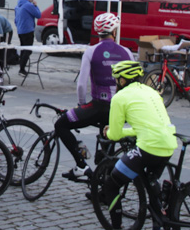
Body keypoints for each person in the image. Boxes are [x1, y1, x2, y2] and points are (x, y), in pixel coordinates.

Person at [94, 60, 176, 230]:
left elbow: (114, 134)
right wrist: (130, 132)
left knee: (112, 183)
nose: (115, 81)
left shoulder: (120, 97)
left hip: (148, 147)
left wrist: (109, 132)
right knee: (151, 182)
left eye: (116, 78)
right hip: (168, 143)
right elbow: (147, 125)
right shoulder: (151, 92)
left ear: (123, 80)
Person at [55, 13, 133, 181]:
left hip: (99, 106)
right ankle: (104, 188)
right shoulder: (127, 52)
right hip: (121, 109)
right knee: (108, 141)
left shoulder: (91, 51)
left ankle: (81, 166)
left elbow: (81, 84)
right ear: (114, 31)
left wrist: (81, 104)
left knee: (61, 124)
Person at [14, 0, 41, 76]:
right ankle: (22, 69)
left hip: (20, 30)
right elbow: (38, 15)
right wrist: (36, 6)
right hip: (28, 30)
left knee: (23, 48)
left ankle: (21, 65)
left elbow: (16, 19)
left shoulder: (18, 5)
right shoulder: (28, 5)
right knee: (28, 50)